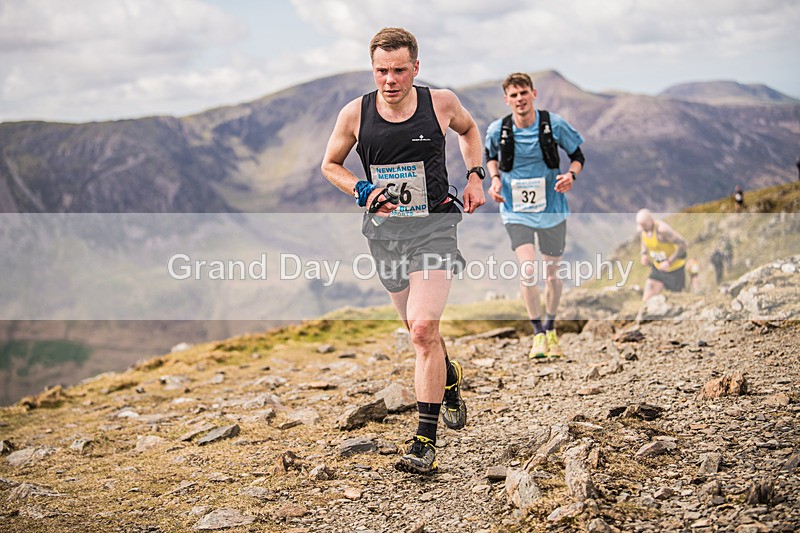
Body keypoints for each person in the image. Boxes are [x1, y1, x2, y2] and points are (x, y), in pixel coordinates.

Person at [321, 27, 485, 475]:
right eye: (381, 71)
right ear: (372, 69)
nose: (390, 79)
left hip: (435, 228)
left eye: (398, 70)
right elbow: (330, 165)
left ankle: (424, 441)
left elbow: (470, 130)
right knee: (417, 327)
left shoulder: (441, 103)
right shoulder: (355, 114)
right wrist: (362, 189)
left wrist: (475, 176)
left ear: (416, 67)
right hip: (385, 235)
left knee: (423, 331)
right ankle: (448, 376)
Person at [485, 72, 585, 360]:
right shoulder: (498, 130)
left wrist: (571, 176)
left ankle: (551, 326)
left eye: (524, 93)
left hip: (552, 209)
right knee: (528, 270)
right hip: (516, 210)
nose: (520, 99)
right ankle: (538, 333)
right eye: (514, 95)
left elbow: (578, 156)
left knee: (552, 275)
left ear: (533, 94)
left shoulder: (554, 125)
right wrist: (494, 180)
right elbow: (490, 157)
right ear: (507, 100)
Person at [636, 209, 688, 300]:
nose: (642, 228)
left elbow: (683, 245)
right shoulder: (641, 230)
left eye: (644, 225)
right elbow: (643, 240)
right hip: (658, 268)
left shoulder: (662, 231)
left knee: (677, 299)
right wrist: (644, 254)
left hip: (674, 270)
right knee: (647, 297)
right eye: (640, 225)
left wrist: (668, 262)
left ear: (651, 220)